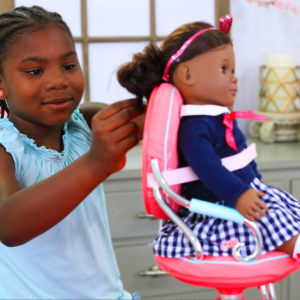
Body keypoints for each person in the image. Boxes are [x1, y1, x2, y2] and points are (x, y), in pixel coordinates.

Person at [117, 19, 300, 260]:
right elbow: (207, 167)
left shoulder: (217, 116)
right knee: (270, 218)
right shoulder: (194, 127)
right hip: (220, 203)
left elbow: (238, 151)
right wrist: (238, 193)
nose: (234, 78)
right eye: (224, 69)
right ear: (187, 73)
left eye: (233, 71)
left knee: (281, 209)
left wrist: (254, 177)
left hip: (240, 191)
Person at [0, 5, 144, 299]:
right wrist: (95, 164)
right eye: (34, 71)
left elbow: (159, 122)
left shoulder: (86, 121)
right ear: (1, 84)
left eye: (68, 66)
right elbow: (8, 225)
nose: (58, 81)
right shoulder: (5, 148)